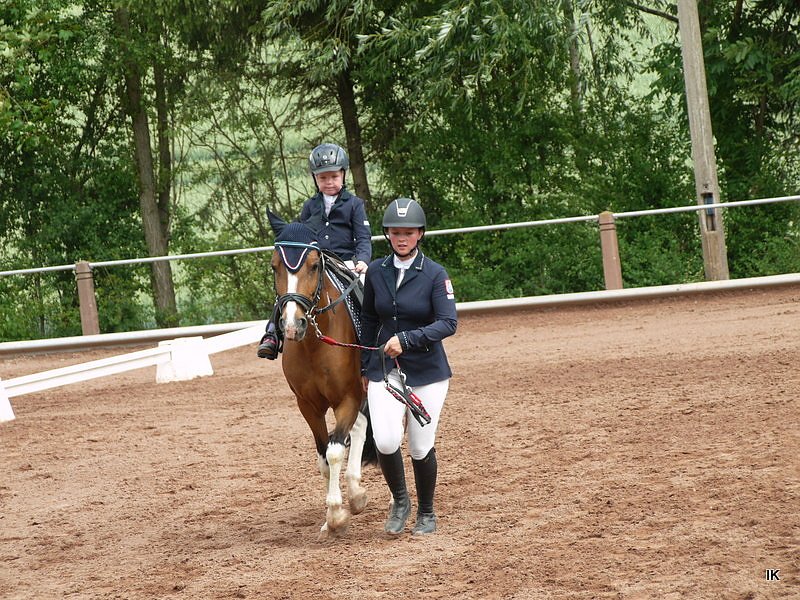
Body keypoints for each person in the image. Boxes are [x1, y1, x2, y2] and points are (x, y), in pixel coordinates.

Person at [359, 198, 457, 536]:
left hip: (427, 372)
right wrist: (363, 366)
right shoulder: (375, 271)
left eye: (409, 232)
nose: (402, 238)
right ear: (387, 234)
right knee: (385, 440)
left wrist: (408, 338)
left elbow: (448, 323)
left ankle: (427, 511)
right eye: (396, 232)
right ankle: (400, 501)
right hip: (384, 369)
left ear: (420, 234)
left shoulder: (434, 274)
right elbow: (370, 318)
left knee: (419, 446)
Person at [257, 142, 372, 359]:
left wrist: (363, 260)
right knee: (290, 288)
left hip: (346, 262)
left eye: (334, 177)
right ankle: (272, 334)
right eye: (323, 178)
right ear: (315, 179)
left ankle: (369, 342)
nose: (329, 182)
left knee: (365, 295)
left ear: (343, 175)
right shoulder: (310, 206)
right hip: (316, 262)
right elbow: (302, 236)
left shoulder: (354, 204)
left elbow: (364, 238)